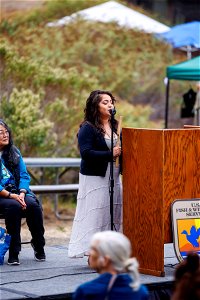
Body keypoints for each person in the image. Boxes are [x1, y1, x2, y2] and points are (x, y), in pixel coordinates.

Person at [68, 90, 122, 258]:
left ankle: (109, 250)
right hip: (95, 177)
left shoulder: (115, 125)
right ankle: (93, 252)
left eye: (110, 102)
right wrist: (110, 154)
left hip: (114, 175)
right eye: (104, 102)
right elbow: (86, 153)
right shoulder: (88, 127)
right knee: (96, 214)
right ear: (95, 106)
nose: (109, 105)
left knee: (113, 212)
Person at [0, 119, 45, 265]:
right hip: (2, 195)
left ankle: (39, 245)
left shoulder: (14, 152)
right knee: (14, 206)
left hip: (18, 193)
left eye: (6, 132)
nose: (5, 135)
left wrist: (22, 193)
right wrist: (11, 195)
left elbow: (24, 175)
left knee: (33, 205)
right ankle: (14, 251)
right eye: (1, 133)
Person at [73, 231, 149, 300]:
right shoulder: (140, 290)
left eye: (93, 249)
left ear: (105, 260)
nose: (89, 252)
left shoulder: (86, 291)